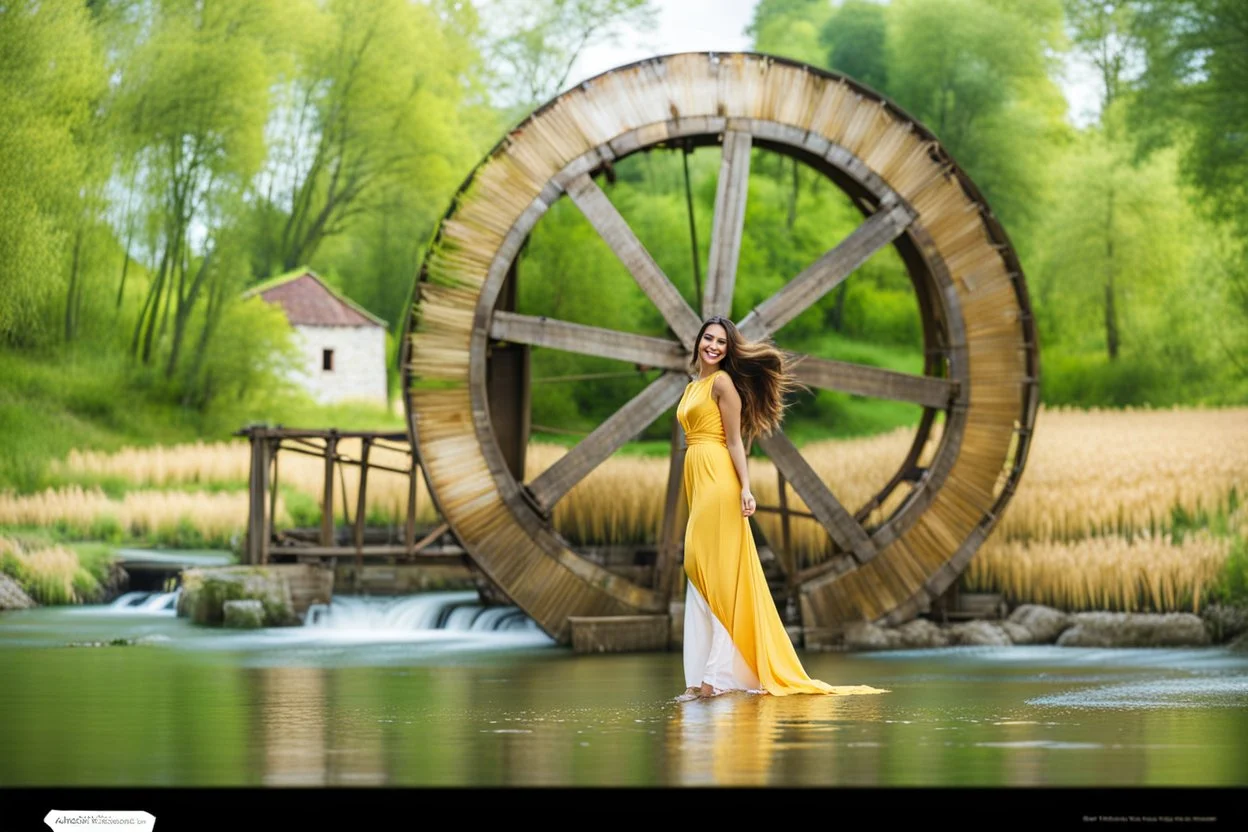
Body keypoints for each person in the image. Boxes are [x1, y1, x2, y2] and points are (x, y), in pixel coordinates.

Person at [675, 315, 889, 701]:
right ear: (698, 342)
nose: (713, 346)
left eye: (721, 342)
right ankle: (700, 675)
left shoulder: (722, 383)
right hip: (697, 476)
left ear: (728, 349)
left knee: (716, 572)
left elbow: (736, 442)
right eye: (708, 339)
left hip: (718, 480)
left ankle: (715, 678)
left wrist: (745, 488)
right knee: (697, 567)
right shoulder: (693, 386)